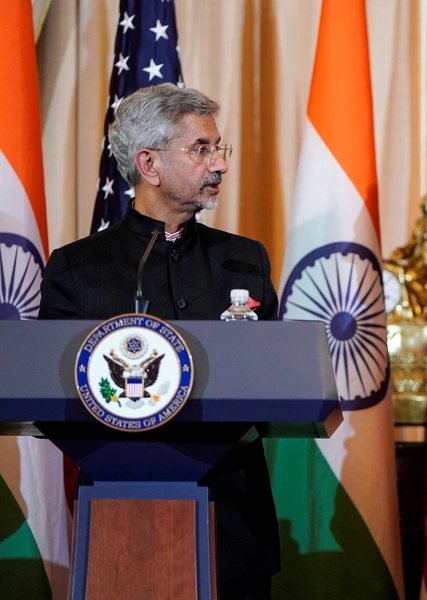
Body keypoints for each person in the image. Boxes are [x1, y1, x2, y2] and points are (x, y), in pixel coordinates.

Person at [39, 84, 280, 599]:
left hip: (234, 523)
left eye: (220, 149)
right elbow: (48, 392)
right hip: (122, 522)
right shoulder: (78, 268)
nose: (219, 165)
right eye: (201, 149)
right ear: (148, 164)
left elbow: (281, 378)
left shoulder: (245, 259)